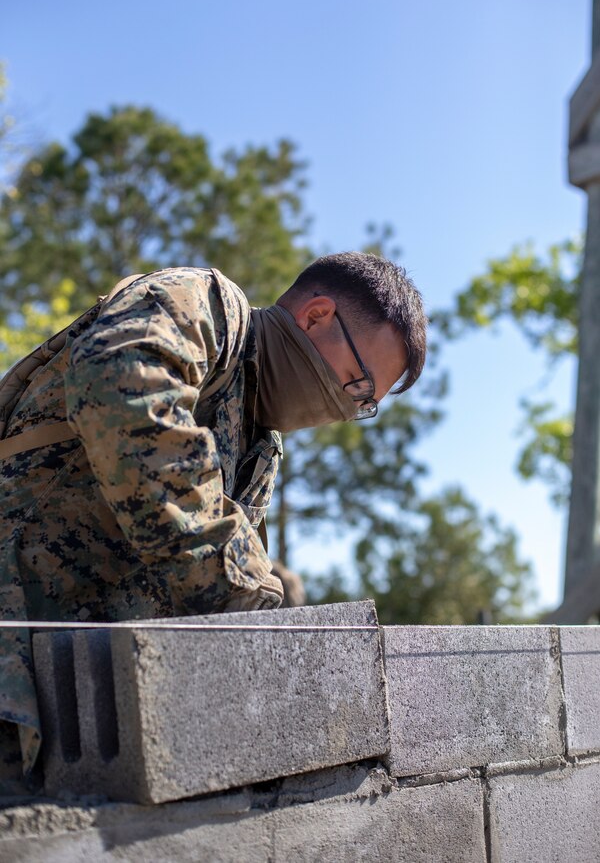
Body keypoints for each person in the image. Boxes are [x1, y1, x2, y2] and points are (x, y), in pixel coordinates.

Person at [0, 251, 427, 789]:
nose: (348, 408)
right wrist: (244, 587)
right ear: (316, 316)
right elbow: (121, 386)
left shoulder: (258, 446)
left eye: (366, 405)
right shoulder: (208, 305)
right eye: (358, 383)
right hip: (16, 640)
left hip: (82, 707)